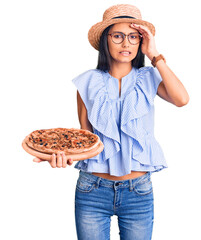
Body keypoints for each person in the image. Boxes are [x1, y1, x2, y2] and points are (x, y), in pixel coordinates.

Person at [33, 4, 189, 240]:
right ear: (106, 40)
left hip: (138, 190)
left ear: (140, 42)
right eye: (118, 36)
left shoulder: (150, 77)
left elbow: (182, 99)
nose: (126, 43)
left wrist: (154, 55)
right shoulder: (87, 82)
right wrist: (62, 155)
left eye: (133, 37)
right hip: (92, 189)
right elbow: (87, 141)